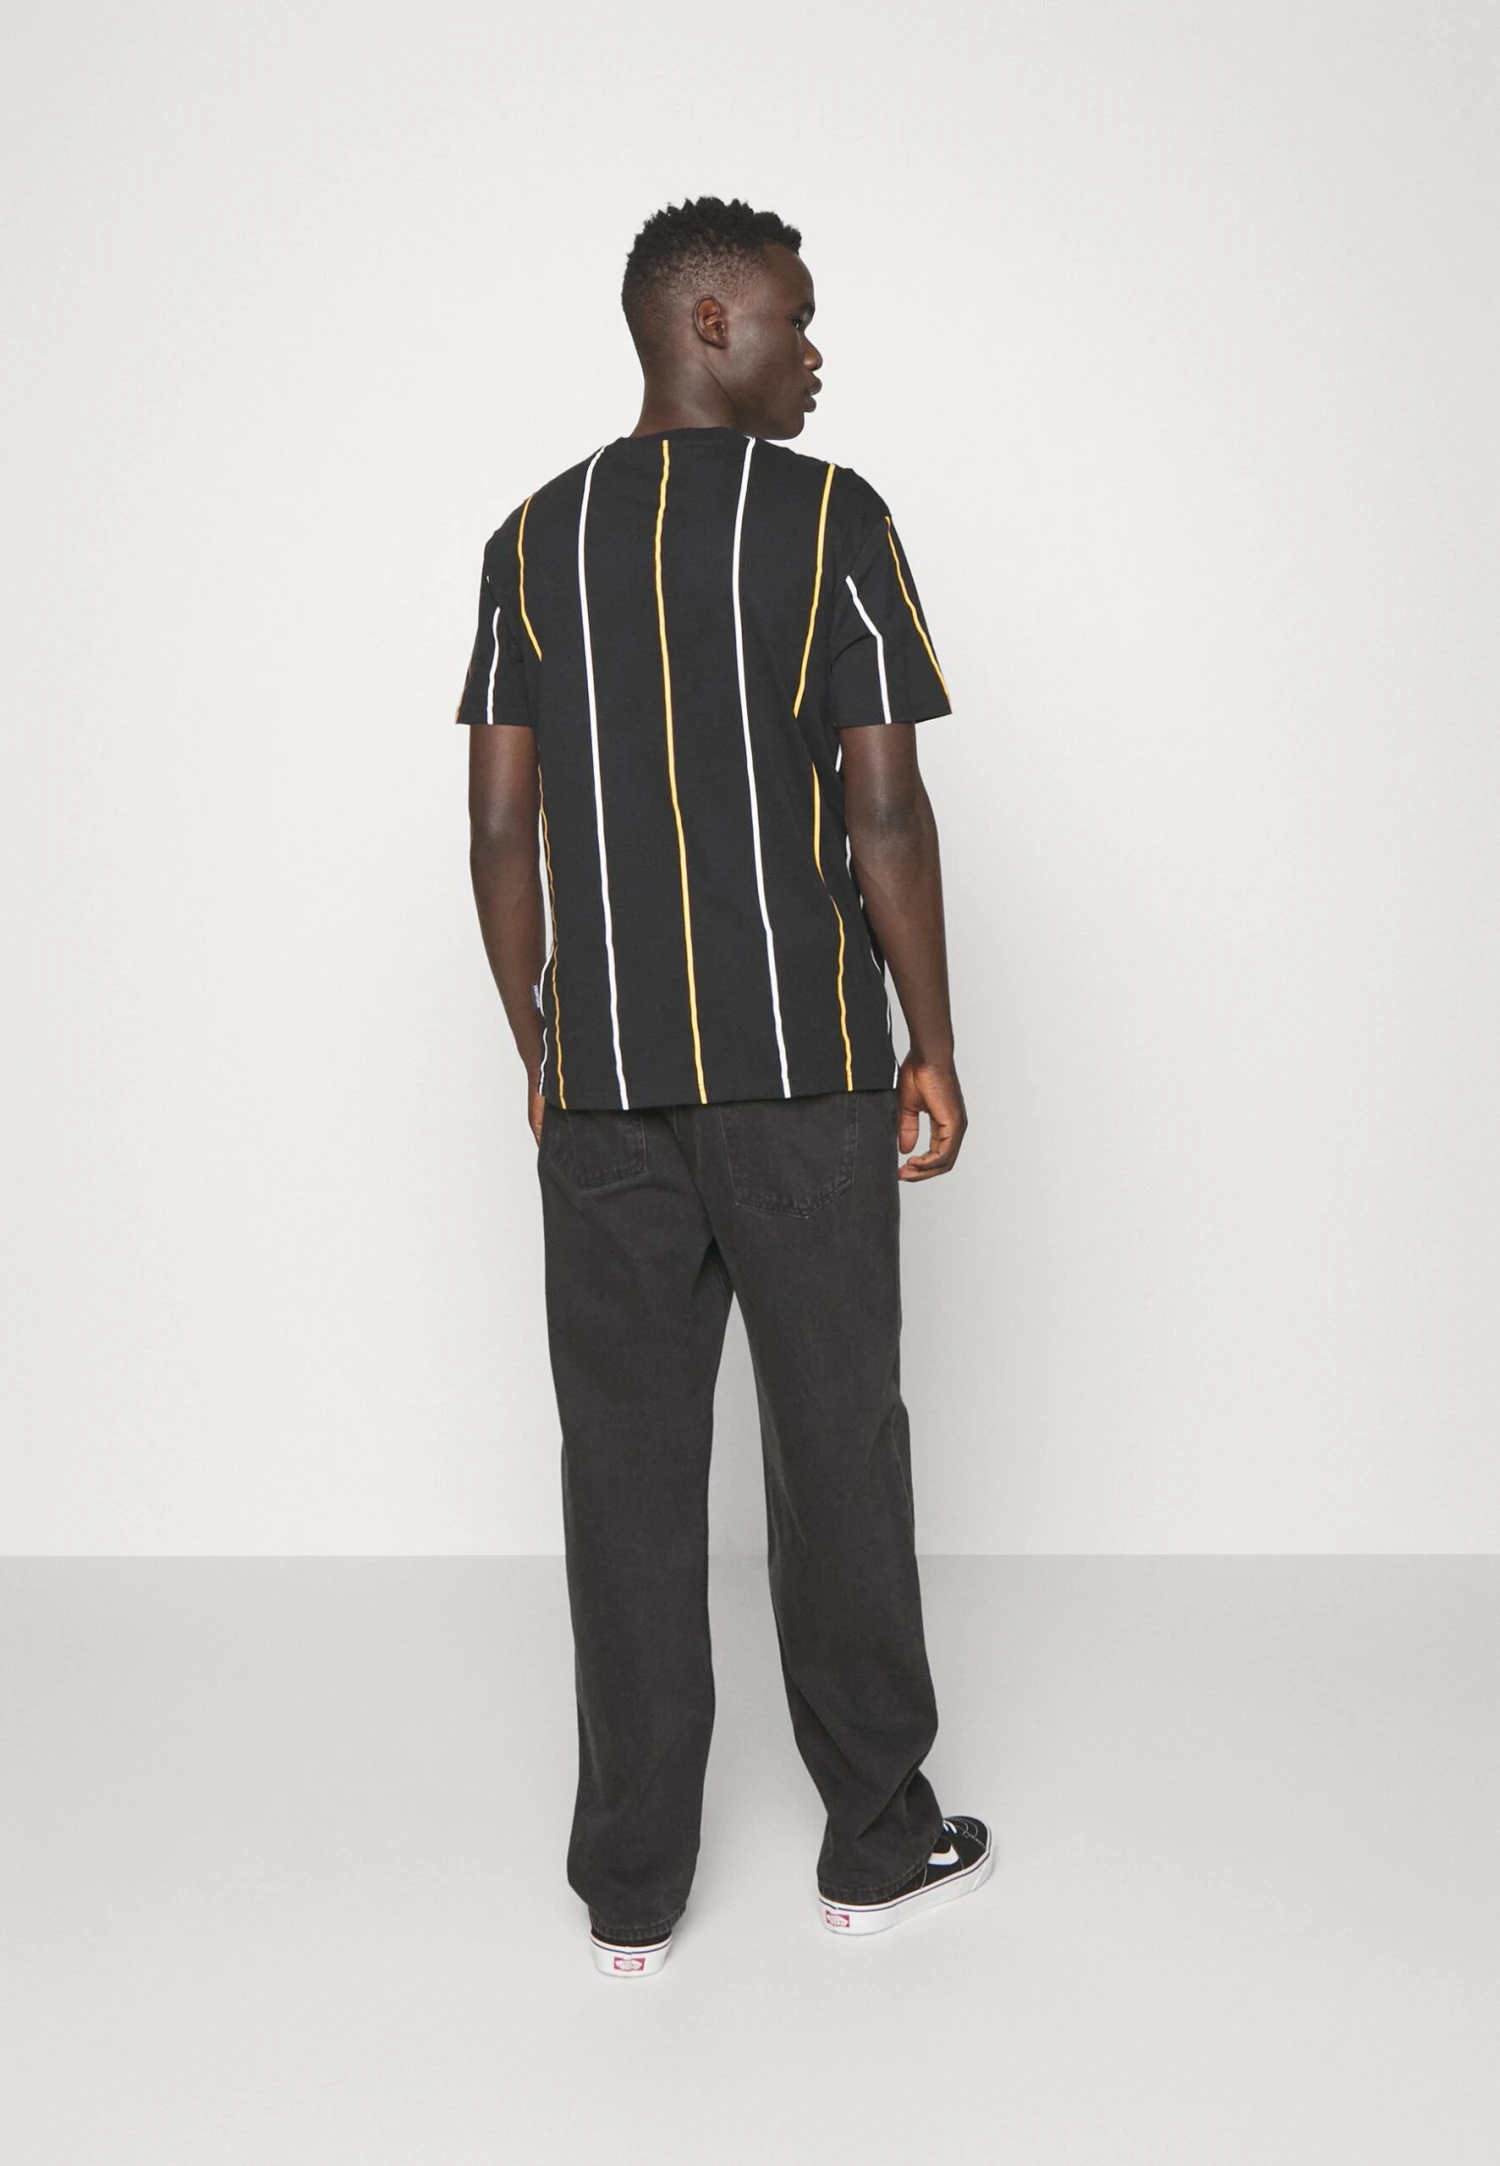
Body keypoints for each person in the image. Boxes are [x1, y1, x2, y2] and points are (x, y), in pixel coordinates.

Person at [455, 195, 991, 1977]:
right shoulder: (832, 519)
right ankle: (876, 1843)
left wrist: (542, 1050)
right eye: (793, 319)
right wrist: (932, 1037)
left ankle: (630, 1887)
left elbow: (501, 824)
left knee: (620, 1476)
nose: (815, 354)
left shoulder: (531, 539)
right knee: (836, 1454)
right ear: (706, 322)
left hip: (605, 1094)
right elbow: (885, 804)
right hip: (803, 1077)